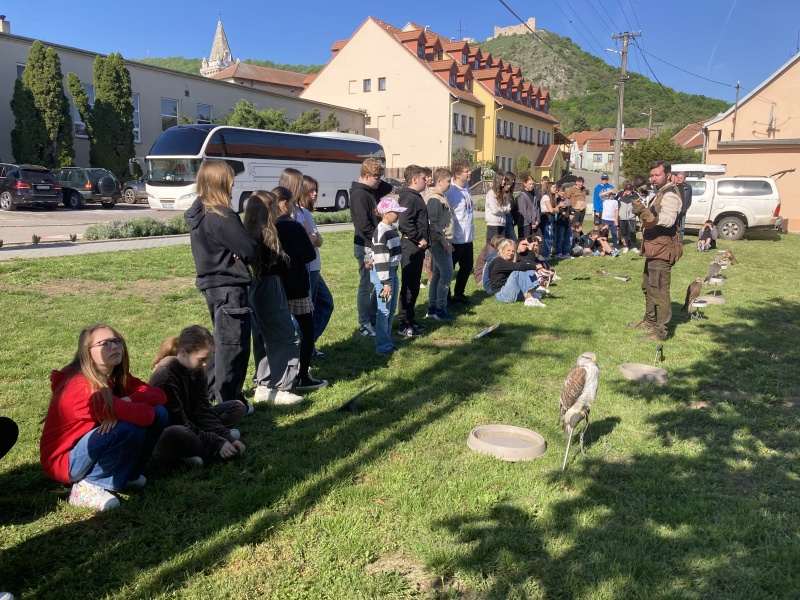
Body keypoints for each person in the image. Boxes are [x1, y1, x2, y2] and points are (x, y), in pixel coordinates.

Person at [40, 324, 168, 511]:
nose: (114, 347)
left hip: (90, 446)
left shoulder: (112, 375)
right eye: (104, 343)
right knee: (128, 426)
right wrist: (127, 408)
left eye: (117, 341)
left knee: (160, 412)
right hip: (66, 461)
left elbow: (159, 396)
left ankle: (128, 474)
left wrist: (128, 400)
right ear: (87, 352)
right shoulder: (81, 386)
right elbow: (146, 416)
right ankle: (88, 486)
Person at [185, 160, 259, 407]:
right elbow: (249, 249)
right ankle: (229, 401)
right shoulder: (222, 216)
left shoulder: (199, 213)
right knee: (233, 346)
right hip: (229, 287)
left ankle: (210, 393)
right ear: (221, 182)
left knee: (221, 342)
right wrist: (239, 252)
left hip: (213, 286)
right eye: (230, 180)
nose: (233, 185)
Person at [150, 326, 247, 467]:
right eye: (202, 359)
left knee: (237, 407)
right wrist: (217, 442)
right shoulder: (165, 376)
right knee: (179, 432)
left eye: (207, 358)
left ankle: (200, 447)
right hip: (170, 429)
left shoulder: (197, 369)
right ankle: (187, 455)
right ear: (184, 352)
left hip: (192, 421)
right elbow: (178, 421)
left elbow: (203, 411)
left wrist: (227, 437)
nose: (206, 364)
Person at [243, 190, 303, 406]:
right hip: (269, 286)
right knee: (285, 335)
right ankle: (281, 386)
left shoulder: (247, 233)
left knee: (262, 336)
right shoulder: (267, 234)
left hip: (255, 287)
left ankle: (264, 383)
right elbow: (282, 264)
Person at [273, 186, 327, 391]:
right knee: (306, 329)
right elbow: (309, 255)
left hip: (276, 286)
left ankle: (275, 374)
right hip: (297, 285)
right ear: (285, 204)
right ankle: (302, 374)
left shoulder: (270, 227)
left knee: (278, 332)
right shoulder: (293, 226)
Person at [630, 160, 684, 341]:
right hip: (654, 249)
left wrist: (645, 213)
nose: (653, 178)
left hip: (662, 249)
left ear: (667, 175)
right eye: (651, 175)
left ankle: (661, 331)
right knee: (648, 286)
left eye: (657, 175)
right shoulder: (660, 192)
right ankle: (650, 321)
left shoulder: (670, 195)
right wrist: (643, 211)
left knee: (660, 290)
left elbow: (668, 220)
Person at [349, 158, 393, 337]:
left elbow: (387, 187)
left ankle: (374, 317)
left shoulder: (371, 190)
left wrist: (378, 176)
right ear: (365, 175)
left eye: (380, 176)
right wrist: (379, 240)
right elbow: (363, 226)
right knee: (367, 285)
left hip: (375, 244)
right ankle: (364, 322)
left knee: (379, 282)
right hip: (366, 246)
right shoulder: (359, 195)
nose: (379, 181)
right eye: (376, 177)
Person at [297, 175, 334, 352]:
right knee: (309, 311)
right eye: (311, 191)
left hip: (314, 268)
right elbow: (313, 240)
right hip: (309, 269)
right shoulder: (300, 213)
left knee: (325, 304)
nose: (315, 194)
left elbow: (317, 239)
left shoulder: (305, 213)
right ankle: (303, 349)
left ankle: (307, 345)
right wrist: (315, 239)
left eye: (316, 190)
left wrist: (316, 239)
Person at [397, 165, 431, 338]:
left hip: (417, 247)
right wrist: (419, 238)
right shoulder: (409, 197)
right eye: (424, 178)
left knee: (414, 285)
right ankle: (404, 323)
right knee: (409, 286)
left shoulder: (414, 196)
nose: (427, 181)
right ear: (414, 179)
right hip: (410, 246)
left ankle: (410, 319)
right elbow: (404, 223)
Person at [370, 196, 406, 355]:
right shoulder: (381, 232)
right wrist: (385, 282)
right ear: (385, 213)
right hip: (384, 274)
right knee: (384, 310)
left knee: (390, 309)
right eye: (395, 212)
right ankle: (383, 346)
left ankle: (387, 341)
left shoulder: (391, 229)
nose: (398, 214)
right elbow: (381, 259)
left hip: (392, 272)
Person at [425, 168, 454, 321]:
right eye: (448, 181)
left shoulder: (441, 197)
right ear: (440, 181)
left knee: (437, 274)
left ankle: (432, 308)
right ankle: (440, 309)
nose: (450, 184)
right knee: (447, 274)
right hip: (439, 242)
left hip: (443, 241)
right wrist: (444, 242)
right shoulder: (434, 199)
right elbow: (433, 224)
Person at [445, 161, 475, 305]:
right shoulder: (450, 191)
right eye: (466, 171)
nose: (470, 173)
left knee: (467, 267)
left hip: (467, 238)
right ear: (457, 174)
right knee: (449, 269)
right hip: (455, 239)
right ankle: (445, 297)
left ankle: (459, 293)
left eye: (469, 170)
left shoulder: (466, 188)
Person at [486, 238, 546, 307]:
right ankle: (529, 299)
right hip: (502, 294)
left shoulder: (508, 261)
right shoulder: (498, 261)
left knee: (527, 268)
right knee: (517, 271)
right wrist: (535, 267)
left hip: (510, 291)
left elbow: (525, 263)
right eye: (508, 250)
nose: (511, 253)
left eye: (513, 251)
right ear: (502, 250)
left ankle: (533, 291)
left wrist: (536, 268)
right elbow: (519, 266)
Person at [484, 171, 512, 241]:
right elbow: (495, 210)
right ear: (498, 180)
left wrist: (501, 208)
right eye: (502, 179)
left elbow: (508, 209)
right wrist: (504, 209)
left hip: (502, 224)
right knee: (493, 246)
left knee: (501, 246)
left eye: (504, 180)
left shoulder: (503, 194)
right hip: (493, 225)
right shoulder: (491, 193)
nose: (504, 182)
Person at [617, 181, 641, 254]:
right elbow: (615, 200)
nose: (628, 191)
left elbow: (639, 203)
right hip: (622, 217)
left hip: (631, 217)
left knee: (632, 232)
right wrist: (622, 196)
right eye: (627, 190)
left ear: (632, 189)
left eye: (629, 190)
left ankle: (633, 246)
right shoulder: (620, 194)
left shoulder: (635, 195)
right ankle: (626, 246)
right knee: (624, 233)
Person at [515, 173, 539, 239]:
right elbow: (523, 212)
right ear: (525, 184)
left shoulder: (534, 194)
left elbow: (537, 208)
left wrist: (537, 221)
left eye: (533, 184)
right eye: (530, 184)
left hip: (534, 224)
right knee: (526, 242)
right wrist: (532, 222)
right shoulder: (521, 196)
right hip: (525, 225)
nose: (532, 186)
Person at [554, 183, 574, 258]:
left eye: (564, 192)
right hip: (560, 222)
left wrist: (572, 214)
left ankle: (566, 252)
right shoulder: (556, 200)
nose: (563, 194)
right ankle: (558, 252)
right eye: (561, 192)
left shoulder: (568, 200)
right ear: (558, 192)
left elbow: (572, 209)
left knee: (567, 238)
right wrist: (561, 209)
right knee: (560, 238)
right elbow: (556, 209)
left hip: (567, 222)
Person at [672, 170, 692, 239]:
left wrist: (685, 208)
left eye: (681, 178)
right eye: (678, 177)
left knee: (682, 227)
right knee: (673, 226)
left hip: (683, 210)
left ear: (684, 179)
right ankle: (673, 240)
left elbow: (689, 199)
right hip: (674, 210)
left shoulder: (688, 187)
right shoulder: (673, 187)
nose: (679, 179)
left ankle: (680, 241)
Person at [539, 182, 556, 259]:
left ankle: (548, 253)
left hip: (550, 217)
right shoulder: (546, 197)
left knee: (550, 235)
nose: (555, 189)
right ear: (549, 188)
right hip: (546, 218)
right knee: (547, 236)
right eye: (553, 187)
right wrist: (558, 208)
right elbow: (551, 210)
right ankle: (546, 254)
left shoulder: (552, 197)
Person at [503, 171, 518, 240]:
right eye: (512, 179)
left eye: (514, 180)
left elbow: (513, 207)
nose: (513, 181)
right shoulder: (503, 192)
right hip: (505, 219)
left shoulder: (510, 193)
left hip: (510, 219)